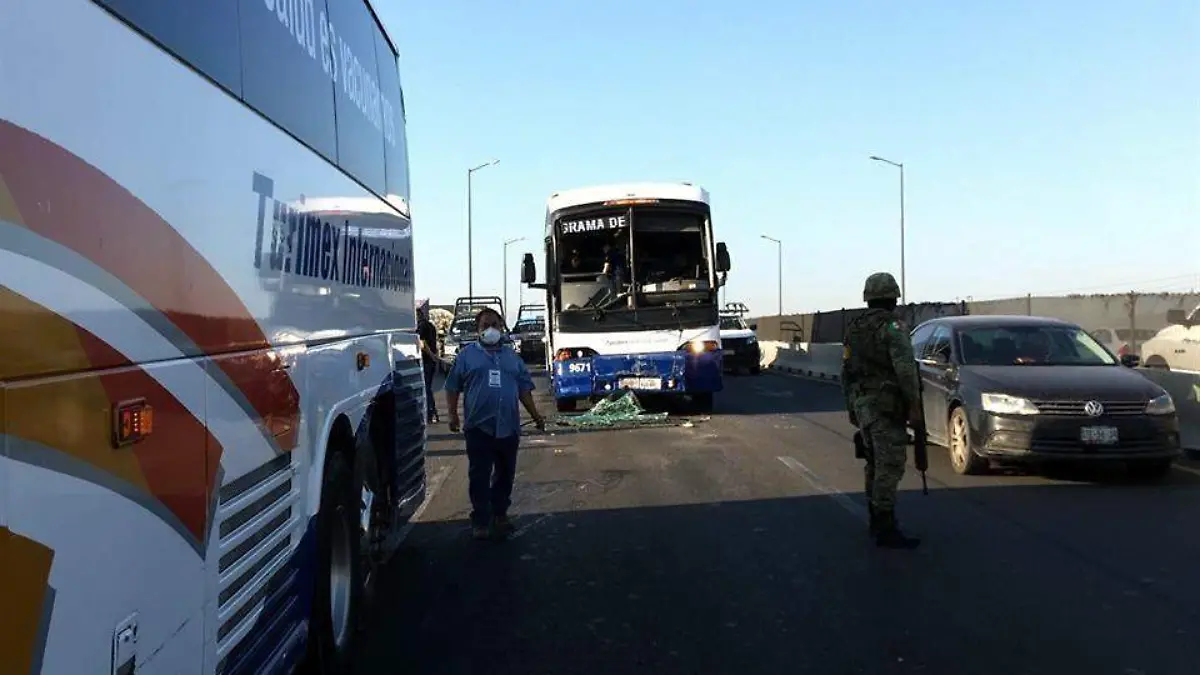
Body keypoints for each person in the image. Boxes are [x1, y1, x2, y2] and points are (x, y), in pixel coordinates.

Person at [444, 307, 546, 540]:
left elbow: (524, 390)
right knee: (479, 475)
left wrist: (537, 416)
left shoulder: (512, 358)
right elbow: (452, 387)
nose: (490, 330)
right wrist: (453, 415)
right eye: (485, 326)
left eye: (495, 325)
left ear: (502, 328)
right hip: (479, 428)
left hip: (508, 427)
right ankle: (480, 519)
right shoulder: (467, 356)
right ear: (478, 330)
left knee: (505, 474)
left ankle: (500, 514)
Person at [841, 272, 922, 549]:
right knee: (889, 465)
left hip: (863, 404)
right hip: (886, 407)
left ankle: (876, 519)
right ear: (892, 297)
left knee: (874, 463)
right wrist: (914, 406)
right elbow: (905, 370)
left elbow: (846, 372)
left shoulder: (854, 328)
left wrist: (851, 406)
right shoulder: (893, 327)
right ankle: (885, 527)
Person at [416, 301, 440, 424]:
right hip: (431, 361)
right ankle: (433, 413)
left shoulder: (422, 327)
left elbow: (422, 343)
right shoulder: (431, 325)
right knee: (428, 387)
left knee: (426, 388)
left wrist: (431, 356)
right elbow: (434, 343)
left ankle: (430, 413)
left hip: (426, 360)